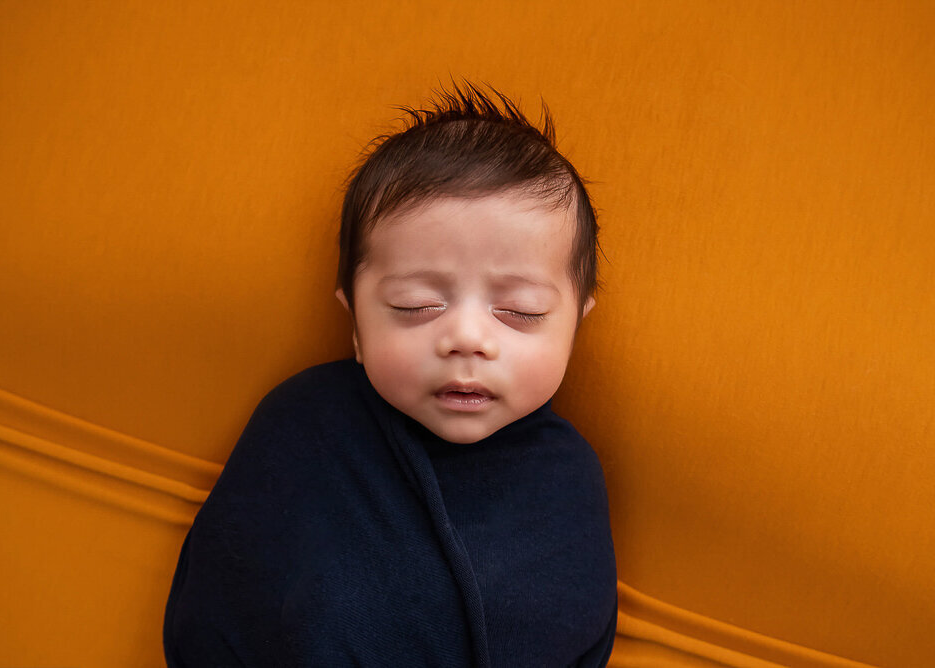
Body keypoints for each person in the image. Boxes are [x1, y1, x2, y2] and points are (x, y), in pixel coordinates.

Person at [163, 83, 618, 667]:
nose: (467, 339)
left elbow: (578, 635)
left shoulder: (569, 478)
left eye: (520, 312)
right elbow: (218, 601)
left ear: (575, 322)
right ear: (354, 322)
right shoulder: (303, 427)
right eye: (415, 306)